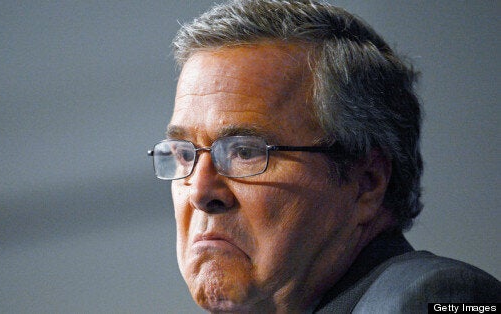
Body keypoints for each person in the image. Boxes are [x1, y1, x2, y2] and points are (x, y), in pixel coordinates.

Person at [147, 0, 500, 312]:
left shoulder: (437, 299)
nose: (199, 192)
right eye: (184, 154)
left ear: (367, 183)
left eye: (244, 152)